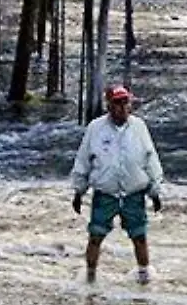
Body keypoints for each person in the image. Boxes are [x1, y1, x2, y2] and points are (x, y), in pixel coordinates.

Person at [70, 85, 164, 285]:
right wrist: (79, 190)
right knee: (96, 236)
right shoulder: (95, 128)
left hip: (133, 192)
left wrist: (155, 191)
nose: (122, 108)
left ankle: (144, 277)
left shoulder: (139, 127)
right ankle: (90, 277)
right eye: (117, 103)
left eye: (125, 102)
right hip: (105, 193)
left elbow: (150, 159)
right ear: (109, 105)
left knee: (139, 236)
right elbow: (84, 160)